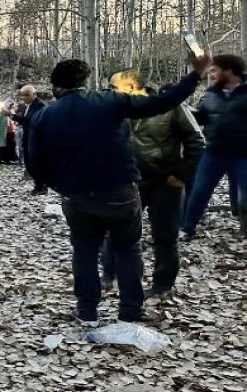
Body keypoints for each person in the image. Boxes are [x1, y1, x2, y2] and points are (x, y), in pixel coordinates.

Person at [28, 53, 210, 324]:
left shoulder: (43, 116)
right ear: (84, 81)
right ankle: (130, 311)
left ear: (55, 86)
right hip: (120, 190)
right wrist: (195, 75)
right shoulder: (107, 102)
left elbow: (34, 161)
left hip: (77, 195)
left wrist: (57, 185)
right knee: (128, 249)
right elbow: (162, 102)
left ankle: (87, 312)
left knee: (85, 251)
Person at [99, 69, 205, 299]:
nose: (109, 91)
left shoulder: (171, 107)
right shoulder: (114, 108)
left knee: (165, 235)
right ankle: (110, 275)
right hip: (126, 180)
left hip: (164, 180)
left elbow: (196, 141)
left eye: (114, 87)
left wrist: (182, 174)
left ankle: (162, 283)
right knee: (113, 230)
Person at [181, 54, 247, 240]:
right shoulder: (211, 94)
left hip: (243, 154)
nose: (212, 75)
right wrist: (184, 110)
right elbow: (200, 117)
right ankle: (187, 228)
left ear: (228, 71)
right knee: (199, 192)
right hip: (213, 153)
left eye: (215, 70)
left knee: (245, 196)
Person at [2, 85, 47, 195]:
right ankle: (40, 185)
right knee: (29, 163)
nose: (24, 97)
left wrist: (12, 115)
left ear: (34, 94)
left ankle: (41, 187)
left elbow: (29, 121)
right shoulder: (29, 105)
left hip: (36, 139)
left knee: (34, 164)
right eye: (22, 95)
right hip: (28, 137)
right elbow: (25, 121)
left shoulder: (39, 105)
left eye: (27, 95)